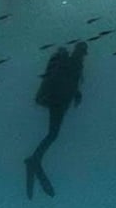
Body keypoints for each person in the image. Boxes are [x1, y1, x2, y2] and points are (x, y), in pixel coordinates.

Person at [26, 41, 88, 199]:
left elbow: (70, 82)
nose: (83, 54)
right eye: (83, 51)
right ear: (79, 51)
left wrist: (76, 94)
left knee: (53, 134)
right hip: (58, 101)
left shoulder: (74, 63)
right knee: (53, 134)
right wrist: (74, 93)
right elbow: (65, 80)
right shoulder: (72, 62)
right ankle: (35, 159)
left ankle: (36, 158)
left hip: (59, 101)